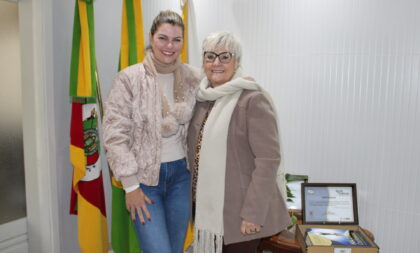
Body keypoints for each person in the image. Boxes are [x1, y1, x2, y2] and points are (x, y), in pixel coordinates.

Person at [103, 10, 201, 253]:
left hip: (181, 177)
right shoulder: (129, 78)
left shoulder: (193, 77)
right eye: (163, 38)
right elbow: (115, 135)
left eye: (176, 40)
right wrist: (130, 187)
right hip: (144, 182)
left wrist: (244, 83)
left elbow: (219, 91)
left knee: (176, 249)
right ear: (151, 37)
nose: (170, 46)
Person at [187, 32, 291, 253]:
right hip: (206, 210)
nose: (216, 63)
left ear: (237, 61)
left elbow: (268, 160)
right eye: (210, 56)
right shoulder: (201, 99)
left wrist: (253, 214)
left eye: (225, 56)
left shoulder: (252, 100)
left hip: (241, 215)